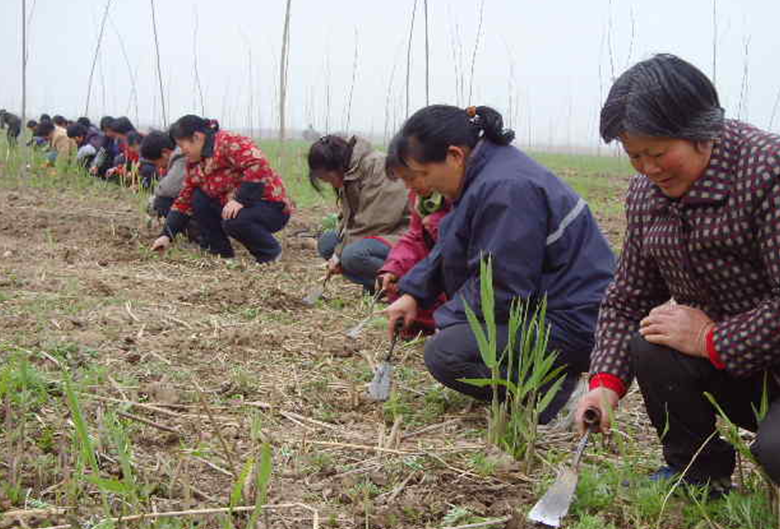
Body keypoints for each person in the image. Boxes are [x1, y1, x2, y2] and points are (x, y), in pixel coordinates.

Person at [575, 54, 780, 495]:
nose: (649, 169)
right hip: (748, 371)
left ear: (702, 135)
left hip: (747, 351)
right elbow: (628, 298)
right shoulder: (647, 195)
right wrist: (605, 383)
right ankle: (697, 473)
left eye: (657, 152)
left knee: (776, 451)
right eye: (634, 155)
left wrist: (713, 340)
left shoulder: (768, 172)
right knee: (654, 339)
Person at [385, 104, 615, 425]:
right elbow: (452, 244)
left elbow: (502, 288)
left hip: (578, 322)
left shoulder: (505, 188)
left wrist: (446, 320)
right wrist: (413, 293)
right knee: (456, 337)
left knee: (446, 352)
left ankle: (559, 396)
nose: (418, 187)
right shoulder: (485, 175)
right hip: (555, 310)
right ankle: (546, 381)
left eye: (421, 175)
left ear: (454, 155)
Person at [152, 115, 293, 263]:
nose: (181, 151)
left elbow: (258, 164)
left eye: (182, 145)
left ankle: (269, 253)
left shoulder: (228, 142)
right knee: (198, 197)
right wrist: (166, 235)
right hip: (238, 206)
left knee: (233, 219)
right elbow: (184, 200)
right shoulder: (195, 164)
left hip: (270, 206)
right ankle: (220, 252)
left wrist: (240, 200)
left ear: (197, 137)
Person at [308, 135, 410, 292]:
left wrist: (338, 255)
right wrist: (337, 252)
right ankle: (375, 285)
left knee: (352, 255)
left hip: (400, 233)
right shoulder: (350, 172)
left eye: (327, 178)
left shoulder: (379, 168)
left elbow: (376, 222)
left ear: (336, 166)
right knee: (327, 243)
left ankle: (405, 286)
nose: (329, 183)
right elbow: (349, 219)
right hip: (379, 233)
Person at [377, 134, 452, 336]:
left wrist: (435, 224)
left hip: (451, 275)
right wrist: (393, 268)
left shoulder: (455, 196)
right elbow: (415, 237)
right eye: (404, 180)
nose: (408, 186)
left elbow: (454, 249)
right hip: (433, 270)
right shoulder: (421, 199)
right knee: (399, 292)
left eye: (411, 178)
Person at [140, 131, 188, 218]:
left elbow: (168, 189)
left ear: (165, 153)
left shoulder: (180, 158)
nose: (158, 166)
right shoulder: (178, 154)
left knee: (162, 202)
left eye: (156, 163)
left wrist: (154, 197)